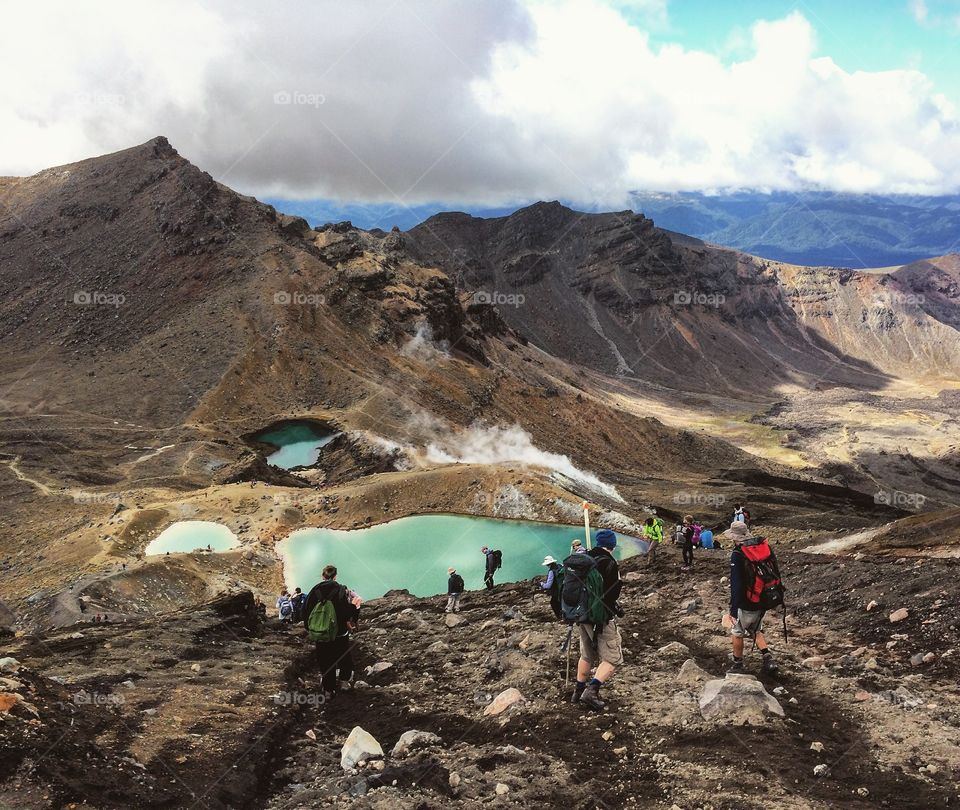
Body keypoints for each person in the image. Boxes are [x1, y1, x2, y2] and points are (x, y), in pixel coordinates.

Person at [573, 529, 623, 710]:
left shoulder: (584, 559)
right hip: (600, 617)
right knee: (613, 658)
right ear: (612, 545)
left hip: (582, 615)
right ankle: (591, 691)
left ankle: (577, 692)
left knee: (586, 654)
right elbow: (612, 594)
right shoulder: (609, 563)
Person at [724, 521, 779, 674]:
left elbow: (737, 584)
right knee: (756, 629)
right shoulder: (759, 549)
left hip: (747, 600)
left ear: (734, 537)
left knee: (737, 631)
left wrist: (734, 609)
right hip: (763, 597)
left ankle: (738, 664)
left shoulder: (738, 553)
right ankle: (768, 658)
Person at [303, 565, 359, 696]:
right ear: (335, 576)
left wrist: (311, 628)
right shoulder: (340, 590)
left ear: (322, 576)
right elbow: (346, 612)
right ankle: (344, 682)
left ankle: (328, 689)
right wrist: (353, 608)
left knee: (325, 659)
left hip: (320, 633)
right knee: (343, 656)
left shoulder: (314, 591)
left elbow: (305, 611)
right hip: (339, 633)